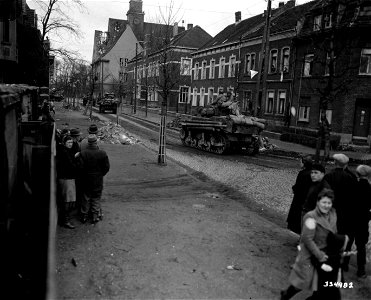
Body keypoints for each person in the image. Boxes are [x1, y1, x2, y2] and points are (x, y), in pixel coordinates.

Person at [281, 188, 338, 300]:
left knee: (321, 283)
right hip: (310, 254)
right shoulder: (311, 217)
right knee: (302, 282)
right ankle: (286, 295)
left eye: (329, 203)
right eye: (324, 202)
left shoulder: (332, 214)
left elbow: (333, 232)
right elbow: (307, 239)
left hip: (325, 253)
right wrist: (319, 255)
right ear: (317, 202)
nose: (326, 206)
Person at [342, 164, 371, 278]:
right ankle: (361, 270)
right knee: (361, 245)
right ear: (368, 175)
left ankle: (344, 264)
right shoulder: (370, 189)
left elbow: (345, 203)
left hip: (350, 219)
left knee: (348, 242)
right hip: (362, 220)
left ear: (357, 174)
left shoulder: (351, 186)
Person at [76, 134, 110, 224]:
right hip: (98, 180)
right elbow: (106, 167)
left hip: (86, 179)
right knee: (96, 197)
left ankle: (84, 216)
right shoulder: (102, 153)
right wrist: (100, 174)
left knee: (86, 197)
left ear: (88, 143)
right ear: (96, 142)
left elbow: (80, 167)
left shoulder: (83, 153)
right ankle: (95, 216)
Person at [324, 153, 357, 236]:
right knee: (341, 228)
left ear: (335, 162)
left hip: (330, 205)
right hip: (344, 208)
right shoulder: (350, 177)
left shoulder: (329, 176)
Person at [287, 155, 313, 235]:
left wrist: (294, 188)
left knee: (297, 215)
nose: (299, 163)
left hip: (299, 198)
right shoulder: (311, 173)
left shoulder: (302, 173)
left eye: (300, 162)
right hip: (307, 198)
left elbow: (298, 186)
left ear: (304, 163)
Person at [56, 136, 78, 229]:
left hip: (67, 178)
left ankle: (65, 219)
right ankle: (65, 220)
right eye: (68, 142)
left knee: (68, 200)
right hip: (66, 179)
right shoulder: (65, 152)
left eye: (71, 142)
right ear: (64, 143)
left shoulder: (64, 151)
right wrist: (75, 158)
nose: (70, 144)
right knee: (67, 200)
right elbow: (71, 165)